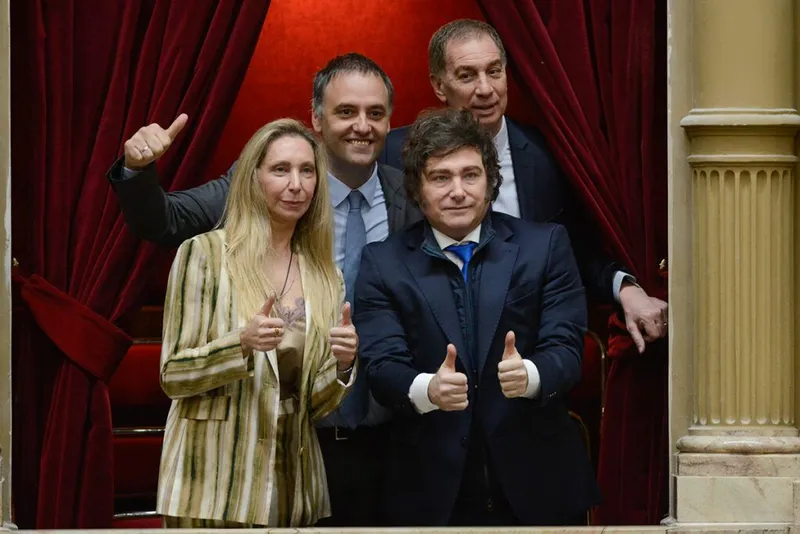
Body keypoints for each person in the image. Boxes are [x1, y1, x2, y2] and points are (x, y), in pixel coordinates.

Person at [107, 53, 421, 526]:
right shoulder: (242, 199)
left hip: (376, 440)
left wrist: (344, 365)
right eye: (346, 111)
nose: (362, 126)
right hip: (250, 451)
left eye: (375, 113)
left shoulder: (414, 195)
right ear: (316, 118)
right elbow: (163, 219)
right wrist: (137, 168)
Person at [354, 108, 600, 527]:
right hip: (431, 490)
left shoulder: (544, 245)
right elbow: (381, 364)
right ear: (416, 188)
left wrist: (531, 375)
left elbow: (567, 346)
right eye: (441, 177)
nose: (458, 191)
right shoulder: (383, 262)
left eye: (470, 175)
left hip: (539, 483)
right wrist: (428, 388)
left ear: (490, 182)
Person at [379, 19, 668, 352]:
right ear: (439, 86)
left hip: (529, 350)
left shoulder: (549, 153)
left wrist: (627, 289)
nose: (485, 89)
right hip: (428, 354)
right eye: (467, 76)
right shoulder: (394, 154)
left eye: (494, 71)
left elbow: (577, 248)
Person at [156, 118, 358, 527]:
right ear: (253, 177)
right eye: (280, 170)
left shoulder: (326, 276)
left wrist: (342, 365)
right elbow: (173, 375)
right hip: (212, 483)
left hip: (292, 483)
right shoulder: (204, 254)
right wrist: (240, 344)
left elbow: (315, 406)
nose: (296, 184)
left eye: (307, 171)